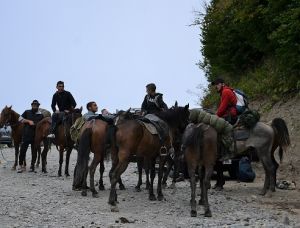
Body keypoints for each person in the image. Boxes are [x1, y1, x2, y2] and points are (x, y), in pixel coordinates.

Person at [211, 78, 237, 190]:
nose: (215, 86)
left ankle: (226, 150)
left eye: (217, 84)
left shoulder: (226, 92)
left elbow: (222, 108)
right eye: (215, 85)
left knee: (218, 134)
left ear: (222, 84)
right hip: (228, 115)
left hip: (230, 116)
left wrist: (214, 117)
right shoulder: (224, 91)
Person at [17, 100, 44, 173]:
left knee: (34, 152)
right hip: (26, 134)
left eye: (36, 105)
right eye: (33, 105)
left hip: (36, 136)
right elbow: (20, 119)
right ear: (31, 105)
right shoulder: (27, 112)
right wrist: (28, 121)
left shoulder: (41, 115)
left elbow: (42, 126)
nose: (34, 106)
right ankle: (20, 165)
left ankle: (32, 166)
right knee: (22, 150)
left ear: (38, 106)